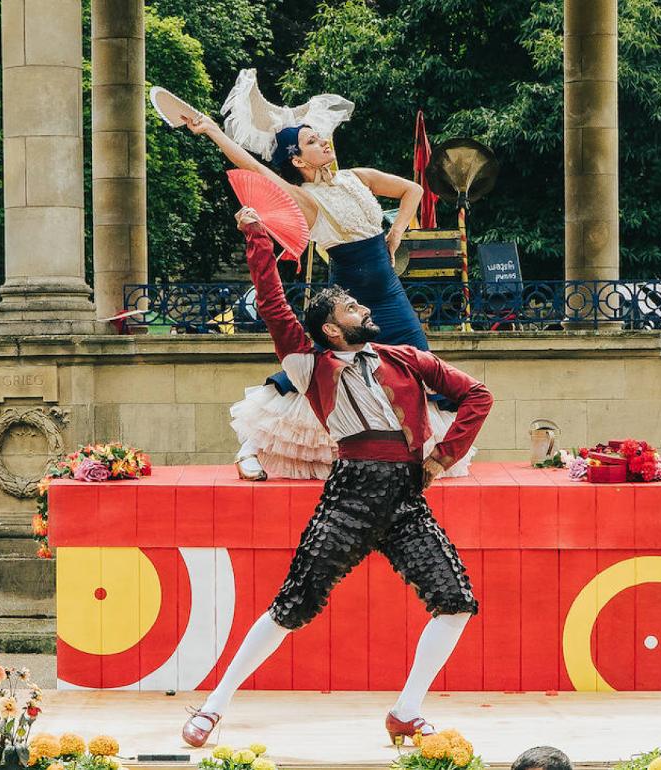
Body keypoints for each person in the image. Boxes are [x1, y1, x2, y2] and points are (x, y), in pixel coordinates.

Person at [180, 206, 493, 749]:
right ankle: (213, 706)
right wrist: (257, 236)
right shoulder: (309, 364)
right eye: (352, 305)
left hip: (406, 497)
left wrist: (442, 458)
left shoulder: (406, 357)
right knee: (292, 605)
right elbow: (275, 305)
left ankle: (405, 712)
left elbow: (477, 395)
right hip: (348, 497)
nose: (364, 307)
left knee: (457, 600)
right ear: (330, 327)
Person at [178, 70, 476, 482]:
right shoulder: (306, 199)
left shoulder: (357, 177)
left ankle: (420, 455)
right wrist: (211, 129)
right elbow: (251, 166)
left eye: (320, 136)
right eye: (311, 141)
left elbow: (414, 190)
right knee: (315, 373)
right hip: (347, 300)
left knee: (423, 370)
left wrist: (393, 236)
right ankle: (252, 448)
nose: (323, 141)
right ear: (297, 161)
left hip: (390, 297)